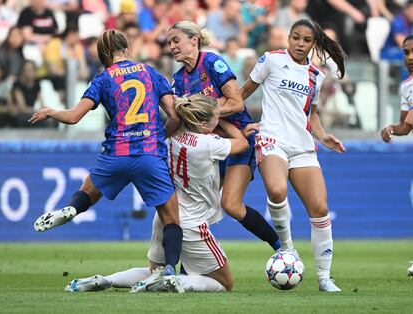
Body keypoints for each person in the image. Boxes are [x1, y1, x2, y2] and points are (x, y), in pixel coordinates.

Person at [29, 29, 184, 292]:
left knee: (87, 192)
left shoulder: (102, 78)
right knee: (171, 219)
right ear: (127, 47)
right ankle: (169, 272)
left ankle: (71, 209)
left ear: (104, 54)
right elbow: (175, 114)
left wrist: (51, 111)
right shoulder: (151, 73)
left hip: (116, 153)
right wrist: (158, 136)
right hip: (149, 153)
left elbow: (74, 117)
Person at [64, 94, 251, 293]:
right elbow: (242, 144)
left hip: (165, 213)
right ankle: (168, 283)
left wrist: (212, 120)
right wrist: (227, 123)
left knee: (154, 270)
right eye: (216, 116)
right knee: (224, 283)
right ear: (204, 124)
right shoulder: (209, 144)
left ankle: (106, 280)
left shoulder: (171, 137)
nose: (219, 118)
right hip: (192, 222)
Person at [241, 19, 346, 292]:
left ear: (313, 44)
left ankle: (324, 278)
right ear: (288, 38)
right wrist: (239, 124)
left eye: (306, 40)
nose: (299, 44)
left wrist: (323, 136)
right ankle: (287, 249)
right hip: (272, 137)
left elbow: (310, 114)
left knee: (320, 210)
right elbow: (240, 95)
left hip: (302, 145)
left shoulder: (316, 75)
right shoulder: (270, 61)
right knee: (276, 191)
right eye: (295, 38)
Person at [167, 20, 281, 253]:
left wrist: (200, 109)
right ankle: (187, 267)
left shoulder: (212, 62)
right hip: (209, 145)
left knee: (230, 204)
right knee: (192, 206)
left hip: (239, 139)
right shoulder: (178, 80)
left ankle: (281, 247)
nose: (172, 46)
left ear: (194, 40)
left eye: (176, 40)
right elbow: (185, 118)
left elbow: (237, 102)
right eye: (169, 42)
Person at [381, 34, 413, 143]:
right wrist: (391, 129)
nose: (410, 57)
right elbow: (405, 127)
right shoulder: (406, 86)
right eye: (406, 53)